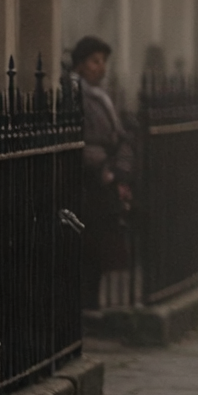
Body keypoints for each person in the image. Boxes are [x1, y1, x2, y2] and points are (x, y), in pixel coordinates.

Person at [71, 35, 135, 305]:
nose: (101, 67)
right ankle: (85, 304)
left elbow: (121, 139)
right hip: (88, 183)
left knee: (102, 249)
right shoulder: (74, 94)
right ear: (80, 64)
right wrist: (103, 166)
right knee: (88, 247)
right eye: (95, 61)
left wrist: (119, 170)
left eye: (103, 62)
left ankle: (93, 301)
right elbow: (78, 141)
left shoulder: (102, 97)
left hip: (105, 181)